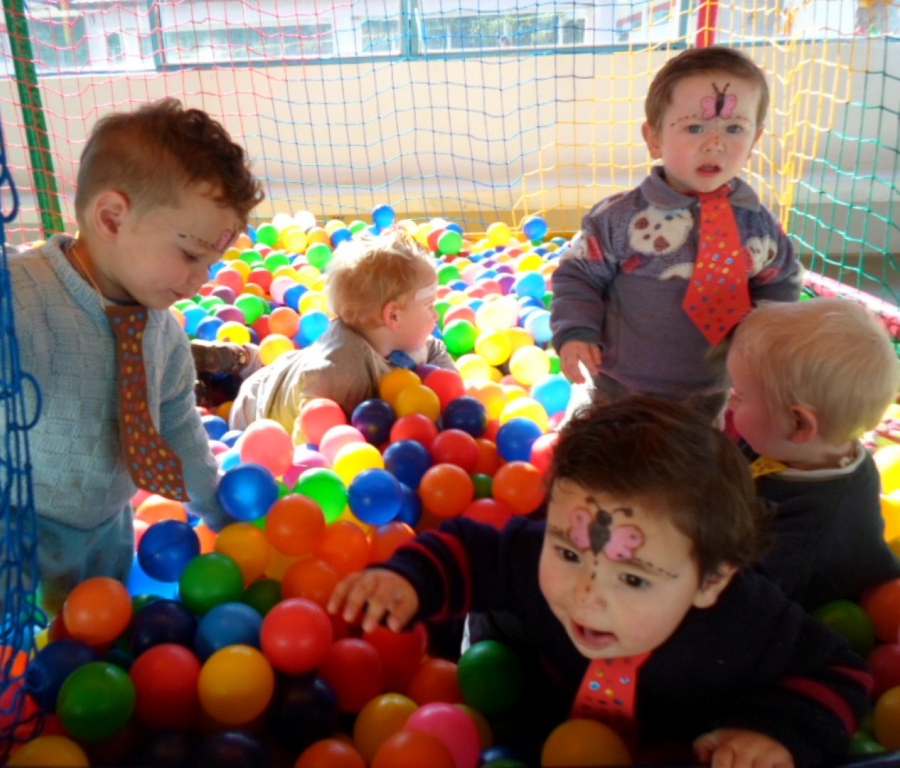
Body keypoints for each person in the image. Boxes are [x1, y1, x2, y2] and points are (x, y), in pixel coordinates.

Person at [0, 99, 264, 735]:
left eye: (212, 262)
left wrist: (217, 509)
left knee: (95, 625)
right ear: (112, 217)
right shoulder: (14, 289)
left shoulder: (164, 333)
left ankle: (77, 701)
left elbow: (179, 431)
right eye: (191, 253)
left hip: (98, 516)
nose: (201, 278)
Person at [329, 396, 871, 768]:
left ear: (710, 580)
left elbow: (841, 672)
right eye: (568, 552)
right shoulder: (531, 557)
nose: (586, 594)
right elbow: (473, 549)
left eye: (633, 578)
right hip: (528, 712)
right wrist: (409, 579)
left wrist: (772, 731)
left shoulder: (743, 620)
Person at [550, 46, 803, 421]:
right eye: (694, 127)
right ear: (654, 138)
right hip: (619, 388)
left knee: (696, 459)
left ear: (754, 140)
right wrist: (576, 331)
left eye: (734, 128)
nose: (715, 143)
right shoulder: (618, 218)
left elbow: (780, 283)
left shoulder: (758, 226)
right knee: (607, 453)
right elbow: (578, 275)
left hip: (710, 393)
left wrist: (766, 347)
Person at [727, 297, 900, 611]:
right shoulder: (783, 444)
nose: (730, 400)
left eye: (741, 394)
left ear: (799, 424)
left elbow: (751, 602)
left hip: (808, 610)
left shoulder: (809, 538)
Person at [229, 227, 456, 441]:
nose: (435, 315)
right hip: (258, 404)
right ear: (393, 316)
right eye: (428, 304)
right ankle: (246, 361)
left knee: (295, 360)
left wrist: (449, 396)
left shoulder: (406, 340)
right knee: (288, 371)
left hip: (295, 365)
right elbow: (310, 436)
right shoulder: (339, 373)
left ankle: (252, 359)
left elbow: (434, 350)